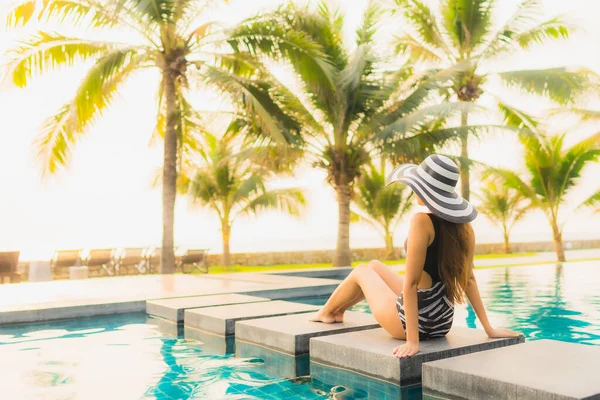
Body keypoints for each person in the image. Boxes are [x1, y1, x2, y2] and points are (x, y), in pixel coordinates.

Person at [310, 154, 521, 358]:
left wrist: (412, 341)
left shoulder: (421, 221)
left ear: (426, 191)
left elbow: (411, 283)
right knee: (374, 265)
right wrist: (489, 328)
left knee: (361, 271)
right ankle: (337, 312)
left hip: (414, 324)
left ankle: (326, 312)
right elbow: (469, 279)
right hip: (441, 323)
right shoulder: (465, 229)